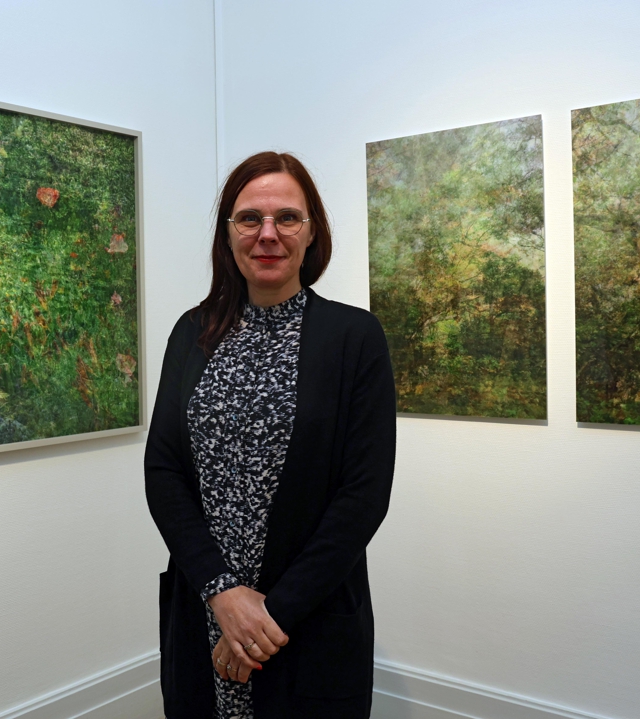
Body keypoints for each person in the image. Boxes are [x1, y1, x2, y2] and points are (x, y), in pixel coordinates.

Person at [145, 151, 397, 718]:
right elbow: (163, 471)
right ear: (228, 233)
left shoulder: (354, 337)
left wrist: (267, 618)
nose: (267, 235)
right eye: (248, 219)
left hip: (305, 621)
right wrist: (223, 593)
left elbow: (363, 496)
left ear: (312, 233)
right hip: (203, 608)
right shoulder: (193, 332)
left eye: (287, 218)